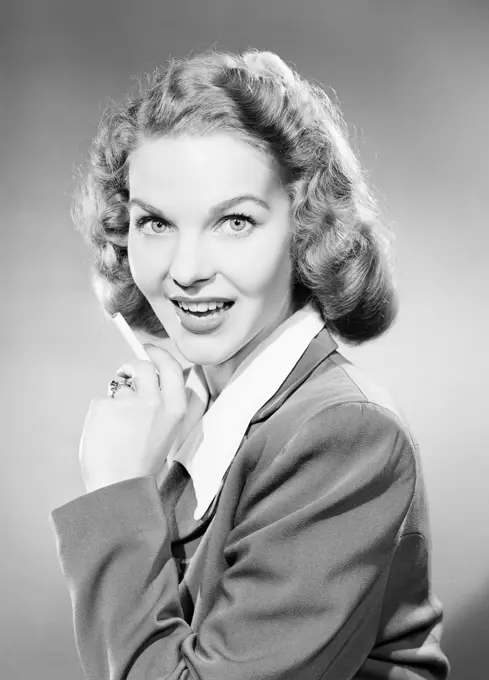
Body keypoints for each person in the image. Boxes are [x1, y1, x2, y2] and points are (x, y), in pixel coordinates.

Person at [50, 48, 450, 680]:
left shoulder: (346, 434)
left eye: (234, 221)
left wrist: (114, 490)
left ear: (306, 229)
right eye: (156, 222)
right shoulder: (192, 407)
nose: (185, 270)